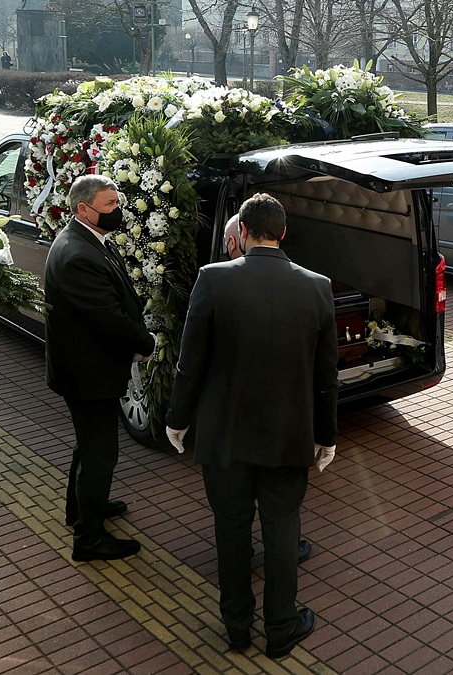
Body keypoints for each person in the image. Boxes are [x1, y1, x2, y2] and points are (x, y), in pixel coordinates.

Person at [166, 193, 338, 658]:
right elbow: (326, 377)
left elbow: (190, 363)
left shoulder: (212, 280)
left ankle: (236, 628)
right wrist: (327, 436)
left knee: (231, 529)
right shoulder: (317, 287)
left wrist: (177, 421)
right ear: (284, 233)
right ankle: (281, 629)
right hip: (288, 435)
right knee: (283, 531)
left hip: (224, 435)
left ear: (240, 232)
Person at [44, 174, 155, 561]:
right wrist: (146, 342)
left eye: (117, 202)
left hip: (89, 369)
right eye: (109, 205)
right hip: (88, 374)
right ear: (83, 209)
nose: (117, 210)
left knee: (89, 446)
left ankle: (81, 510)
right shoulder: (77, 255)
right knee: (100, 455)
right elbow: (107, 317)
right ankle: (89, 540)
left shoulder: (88, 240)